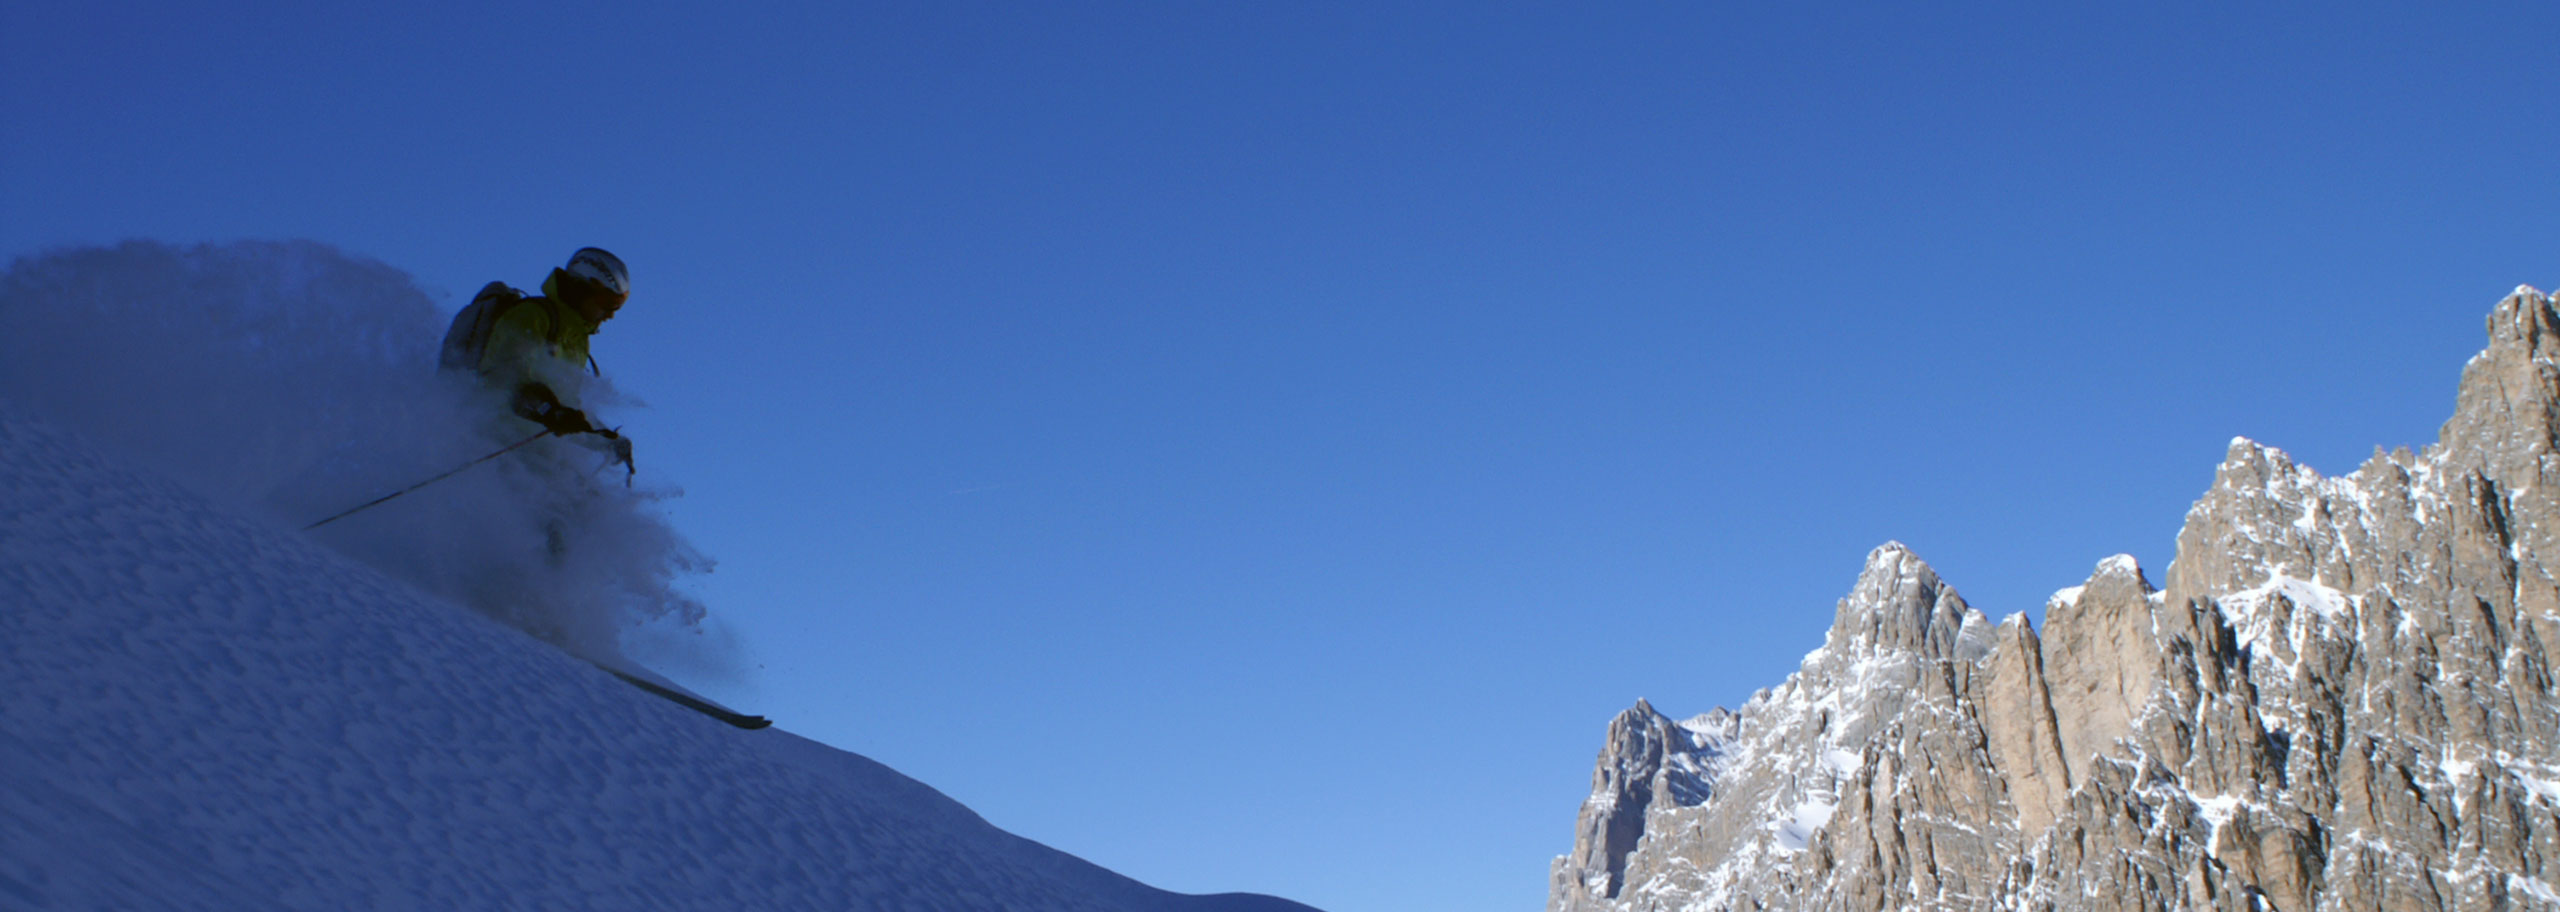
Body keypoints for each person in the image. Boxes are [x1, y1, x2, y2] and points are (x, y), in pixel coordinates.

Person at [441, 246, 636, 475]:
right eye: (607, 301)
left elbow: (569, 410)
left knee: (584, 504)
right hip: (493, 445)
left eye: (617, 305)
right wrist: (550, 412)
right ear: (582, 287)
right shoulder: (532, 316)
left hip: (534, 456)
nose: (610, 314)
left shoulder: (576, 341)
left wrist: (605, 440)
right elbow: (501, 379)